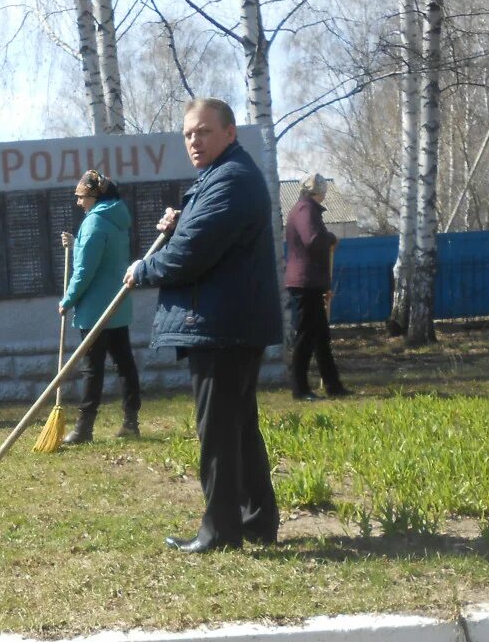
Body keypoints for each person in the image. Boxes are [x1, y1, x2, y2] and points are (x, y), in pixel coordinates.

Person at [124, 98, 284, 553]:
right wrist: (179, 225)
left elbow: (191, 256)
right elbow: (203, 239)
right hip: (227, 322)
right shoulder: (219, 177)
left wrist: (145, 268)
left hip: (222, 325)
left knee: (217, 430)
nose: (194, 140)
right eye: (188, 134)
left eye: (204, 132)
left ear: (230, 133)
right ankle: (256, 521)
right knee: (237, 426)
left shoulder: (231, 180)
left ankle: (219, 531)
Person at [59, 170, 142, 444]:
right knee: (124, 364)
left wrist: (67, 300)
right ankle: (131, 422)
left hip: (96, 311)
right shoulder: (115, 219)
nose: (78, 202)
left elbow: (84, 271)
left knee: (92, 368)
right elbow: (100, 254)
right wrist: (76, 243)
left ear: (94, 196)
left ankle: (84, 428)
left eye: (81, 197)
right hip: (117, 306)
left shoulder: (94, 223)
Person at [283, 172, 348, 401]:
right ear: (318, 191)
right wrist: (330, 238)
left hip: (310, 281)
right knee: (305, 336)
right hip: (304, 283)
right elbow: (313, 240)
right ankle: (299, 389)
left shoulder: (305, 208)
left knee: (320, 336)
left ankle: (333, 385)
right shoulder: (305, 209)